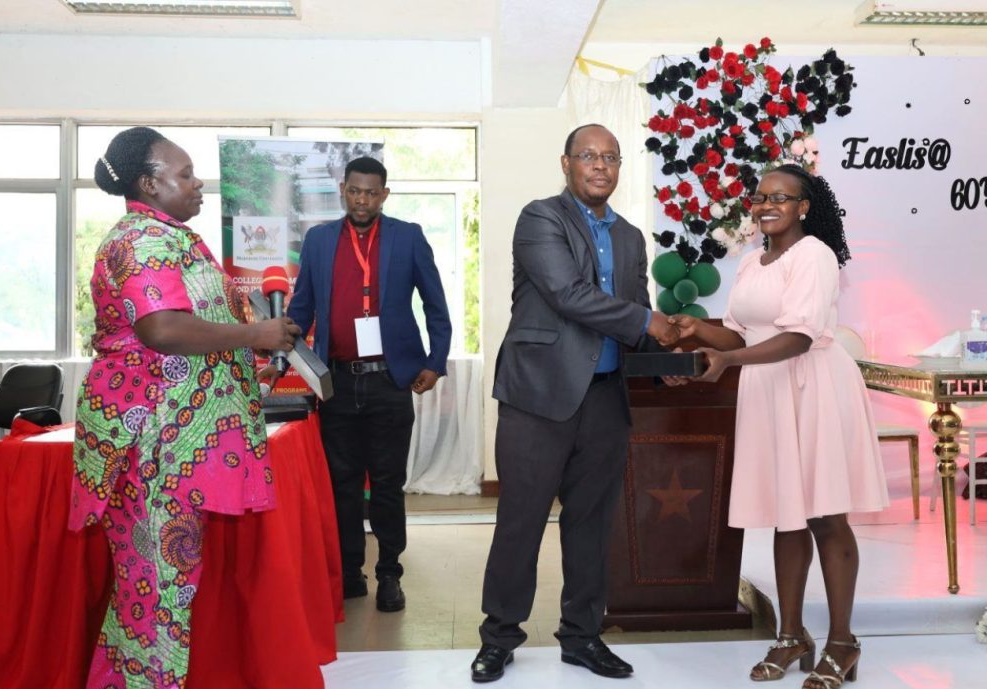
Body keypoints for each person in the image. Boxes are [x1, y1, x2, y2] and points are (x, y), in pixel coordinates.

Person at [69, 127, 301, 689]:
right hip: (148, 444)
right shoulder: (142, 242)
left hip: (176, 447)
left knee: (164, 584)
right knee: (157, 587)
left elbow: (203, 332)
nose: (199, 185)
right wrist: (254, 337)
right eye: (186, 174)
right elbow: (162, 328)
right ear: (149, 183)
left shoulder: (173, 238)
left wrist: (256, 355)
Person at [471, 124, 680, 683]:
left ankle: (582, 637)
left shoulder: (632, 236)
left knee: (591, 526)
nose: (600, 166)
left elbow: (636, 311)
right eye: (588, 156)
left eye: (610, 157)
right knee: (521, 521)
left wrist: (662, 371)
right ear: (566, 163)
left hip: (606, 399)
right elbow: (568, 294)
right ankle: (499, 637)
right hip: (538, 397)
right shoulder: (541, 218)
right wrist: (647, 322)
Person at [667, 164, 889, 689]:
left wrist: (732, 359)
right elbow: (740, 334)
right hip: (768, 391)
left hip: (811, 388)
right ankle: (791, 636)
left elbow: (799, 337)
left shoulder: (815, 255)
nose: (767, 205)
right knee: (786, 518)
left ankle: (842, 642)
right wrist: (700, 333)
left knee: (825, 515)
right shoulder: (750, 261)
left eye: (781, 197)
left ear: (803, 207)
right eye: (760, 196)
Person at [288, 156, 451, 613]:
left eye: (371, 192)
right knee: (341, 485)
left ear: (384, 194)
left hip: (390, 382)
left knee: (386, 484)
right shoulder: (319, 240)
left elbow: (436, 307)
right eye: (354, 191)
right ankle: (351, 572)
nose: (362, 199)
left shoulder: (408, 237)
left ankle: (389, 574)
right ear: (343, 190)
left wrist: (435, 362)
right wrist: (280, 348)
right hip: (336, 383)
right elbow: (302, 309)